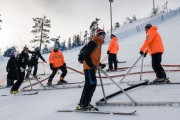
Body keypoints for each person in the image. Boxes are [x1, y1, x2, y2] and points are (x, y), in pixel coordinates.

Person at [76, 29, 106, 111]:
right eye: (102, 34)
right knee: (91, 84)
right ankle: (83, 104)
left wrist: (99, 64)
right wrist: (92, 65)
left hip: (91, 67)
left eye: (104, 34)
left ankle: (83, 104)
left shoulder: (98, 44)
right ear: (98, 35)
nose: (104, 36)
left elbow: (93, 57)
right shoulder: (93, 43)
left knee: (90, 84)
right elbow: (86, 55)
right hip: (89, 67)